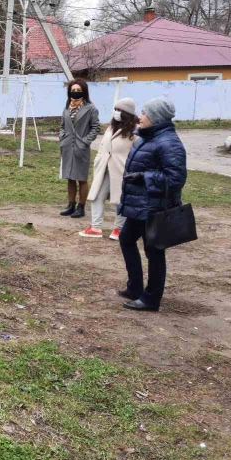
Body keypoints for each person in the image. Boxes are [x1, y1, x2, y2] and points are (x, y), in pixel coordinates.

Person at [117, 97, 187, 311]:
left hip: (154, 207)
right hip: (140, 205)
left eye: (145, 113)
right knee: (126, 239)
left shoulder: (169, 143)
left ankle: (151, 299)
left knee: (154, 251)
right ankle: (135, 287)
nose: (140, 117)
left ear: (155, 118)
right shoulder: (148, 137)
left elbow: (176, 179)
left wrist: (144, 177)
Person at [79, 98, 138, 240]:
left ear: (127, 113)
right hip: (104, 168)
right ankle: (95, 227)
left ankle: (119, 229)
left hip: (122, 170)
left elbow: (137, 152)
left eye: (120, 110)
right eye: (115, 110)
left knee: (120, 199)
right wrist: (99, 159)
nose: (116, 113)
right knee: (97, 196)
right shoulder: (111, 127)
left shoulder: (135, 131)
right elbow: (103, 146)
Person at [59, 78, 100, 218]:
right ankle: (70, 204)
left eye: (78, 90)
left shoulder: (90, 108)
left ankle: (81, 207)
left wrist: (85, 141)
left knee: (81, 178)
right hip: (67, 147)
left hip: (81, 147)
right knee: (70, 177)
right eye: (73, 90)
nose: (75, 92)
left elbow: (95, 127)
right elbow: (62, 125)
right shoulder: (66, 107)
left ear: (84, 91)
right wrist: (62, 137)